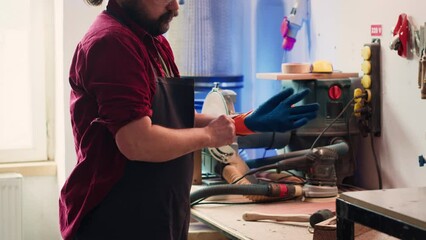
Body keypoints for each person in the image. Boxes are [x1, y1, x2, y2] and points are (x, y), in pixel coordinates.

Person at [59, 0, 320, 239]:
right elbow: (137, 141)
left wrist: (243, 123)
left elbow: (175, 117)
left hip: (156, 214)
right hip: (115, 220)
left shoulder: (152, 41)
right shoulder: (112, 42)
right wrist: (209, 137)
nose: (175, 7)